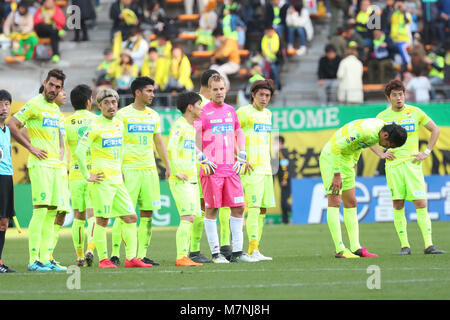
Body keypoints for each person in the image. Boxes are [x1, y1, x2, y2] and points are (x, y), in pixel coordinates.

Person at [74, 88, 153, 269]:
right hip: (102, 181)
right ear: (99, 105)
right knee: (102, 219)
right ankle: (103, 259)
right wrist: (88, 175)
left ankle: (131, 258)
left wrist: (121, 169)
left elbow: (121, 149)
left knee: (131, 217)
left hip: (118, 180)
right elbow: (79, 151)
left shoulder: (118, 124)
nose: (111, 106)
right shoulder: (95, 125)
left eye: (114, 102)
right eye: (107, 103)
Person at [370, 79, 445, 255]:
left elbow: (435, 130)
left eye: (401, 94)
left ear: (405, 95)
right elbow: (369, 139)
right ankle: (405, 246)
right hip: (394, 166)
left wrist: (426, 152)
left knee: (420, 203)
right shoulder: (382, 117)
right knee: (398, 204)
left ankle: (429, 245)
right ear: (388, 97)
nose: (399, 98)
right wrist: (381, 154)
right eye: (394, 95)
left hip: (413, 165)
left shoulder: (415, 112)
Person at [320, 118, 407, 258]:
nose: (388, 147)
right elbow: (337, 146)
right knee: (335, 201)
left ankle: (355, 247)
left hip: (346, 159)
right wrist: (336, 174)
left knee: (351, 202)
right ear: (385, 135)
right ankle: (340, 249)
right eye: (389, 145)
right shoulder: (366, 131)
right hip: (332, 157)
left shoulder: (379, 130)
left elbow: (362, 144)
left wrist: (355, 161)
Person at [7, 69, 66, 271]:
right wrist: (31, 147)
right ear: (45, 82)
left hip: (54, 166)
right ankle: (33, 260)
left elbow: (55, 134)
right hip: (40, 164)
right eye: (51, 85)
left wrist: (60, 149)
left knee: (51, 211)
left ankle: (45, 258)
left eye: (58, 87)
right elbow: (12, 124)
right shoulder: (34, 104)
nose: (54, 89)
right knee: (41, 210)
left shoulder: (56, 109)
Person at [197, 74, 257, 263]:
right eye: (215, 89)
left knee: (238, 207)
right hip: (213, 170)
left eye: (221, 88)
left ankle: (237, 253)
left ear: (226, 89)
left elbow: (237, 132)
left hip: (231, 169)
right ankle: (216, 254)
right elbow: (195, 139)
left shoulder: (231, 111)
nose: (219, 92)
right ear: (209, 91)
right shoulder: (203, 112)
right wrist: (202, 158)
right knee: (212, 209)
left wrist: (242, 155)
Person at [111, 77, 170, 266]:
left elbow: (158, 141)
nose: (153, 95)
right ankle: (115, 254)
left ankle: (142, 254)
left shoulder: (153, 115)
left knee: (148, 213)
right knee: (124, 213)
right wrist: (117, 168)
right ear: (138, 92)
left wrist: (168, 166)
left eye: (153, 91)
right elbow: (115, 143)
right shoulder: (122, 115)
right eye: (149, 91)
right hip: (129, 169)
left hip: (149, 170)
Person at [237, 79, 276, 261]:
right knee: (252, 208)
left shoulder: (269, 114)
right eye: (261, 94)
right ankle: (251, 248)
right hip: (250, 169)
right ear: (253, 94)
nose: (264, 98)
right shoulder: (243, 113)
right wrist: (240, 158)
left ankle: (255, 249)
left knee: (262, 210)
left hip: (266, 168)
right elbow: (231, 136)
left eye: (267, 95)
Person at [167, 92, 204, 267]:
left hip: (192, 179)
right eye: (199, 104)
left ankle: (185, 255)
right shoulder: (179, 125)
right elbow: (170, 147)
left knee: (194, 217)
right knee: (187, 217)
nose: (201, 108)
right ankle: (181, 256)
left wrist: (203, 160)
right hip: (181, 179)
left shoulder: (190, 127)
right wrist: (176, 171)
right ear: (190, 107)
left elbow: (189, 150)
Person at [188, 69, 219, 264]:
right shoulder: (201, 105)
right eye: (217, 87)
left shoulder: (195, 101)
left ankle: (215, 248)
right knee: (202, 205)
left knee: (207, 206)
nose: (220, 91)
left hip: (208, 161)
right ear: (210, 84)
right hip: (201, 162)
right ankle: (194, 249)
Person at [65, 84, 98, 267]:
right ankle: (90, 250)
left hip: (75, 173)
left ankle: (78, 257)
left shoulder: (66, 122)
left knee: (78, 215)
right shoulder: (96, 120)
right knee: (93, 214)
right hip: (93, 172)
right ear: (88, 101)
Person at [0, 89, 17, 273]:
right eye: (0, 104)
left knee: (4, 222)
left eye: (6, 104)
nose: (4, 108)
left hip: (6, 177)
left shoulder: (6, 130)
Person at [276, 135, 292, 224]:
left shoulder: (282, 153)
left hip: (286, 181)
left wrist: (285, 180)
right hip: (282, 181)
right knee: (283, 202)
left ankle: (296, 212)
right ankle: (285, 221)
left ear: (281, 143)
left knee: (284, 202)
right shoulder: (278, 153)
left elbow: (286, 168)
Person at [261, 25, 281, 90]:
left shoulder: (278, 38)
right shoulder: (264, 38)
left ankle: (276, 86)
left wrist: (267, 54)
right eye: (267, 32)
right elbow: (263, 51)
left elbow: (275, 52)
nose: (268, 33)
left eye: (270, 31)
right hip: (266, 60)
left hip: (276, 61)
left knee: (273, 69)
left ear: (273, 31)